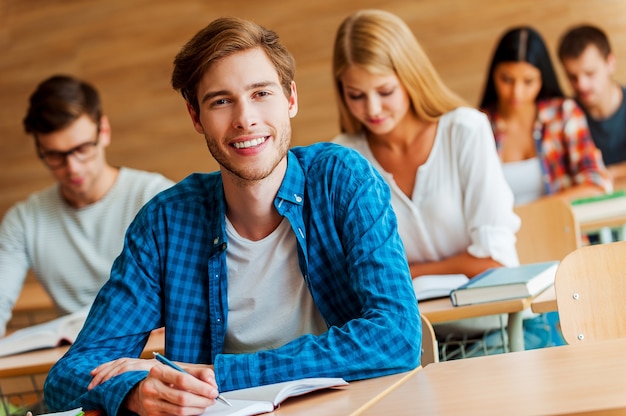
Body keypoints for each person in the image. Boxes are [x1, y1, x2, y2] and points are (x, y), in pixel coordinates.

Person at [44, 16, 420, 415]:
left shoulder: (342, 179)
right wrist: (137, 391)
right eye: (221, 101)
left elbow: (397, 336)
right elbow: (68, 376)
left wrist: (217, 373)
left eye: (261, 93)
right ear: (195, 116)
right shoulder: (166, 223)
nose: (245, 119)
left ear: (290, 99)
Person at [331, 9, 519, 357]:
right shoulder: (343, 157)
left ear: (410, 77)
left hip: (492, 334)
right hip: (403, 346)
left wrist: (405, 273)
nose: (372, 108)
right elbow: (352, 283)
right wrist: (458, 263)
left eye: (385, 91)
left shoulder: (465, 131)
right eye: (356, 95)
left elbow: (496, 262)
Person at [0, 75, 174, 337]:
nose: (72, 167)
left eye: (82, 149)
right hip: (76, 362)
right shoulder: (24, 221)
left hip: (154, 355)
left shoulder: (155, 197)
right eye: (55, 155)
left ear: (103, 131)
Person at [479, 26, 612, 206]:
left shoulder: (563, 114)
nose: (516, 92)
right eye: (507, 79)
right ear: (493, 75)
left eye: (528, 81)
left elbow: (596, 183)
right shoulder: (478, 125)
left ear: (542, 79)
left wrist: (537, 213)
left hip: (559, 229)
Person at [558, 24, 626, 187]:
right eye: (572, 77)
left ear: (610, 63)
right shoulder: (563, 117)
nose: (582, 85)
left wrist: (604, 175)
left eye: (590, 73)